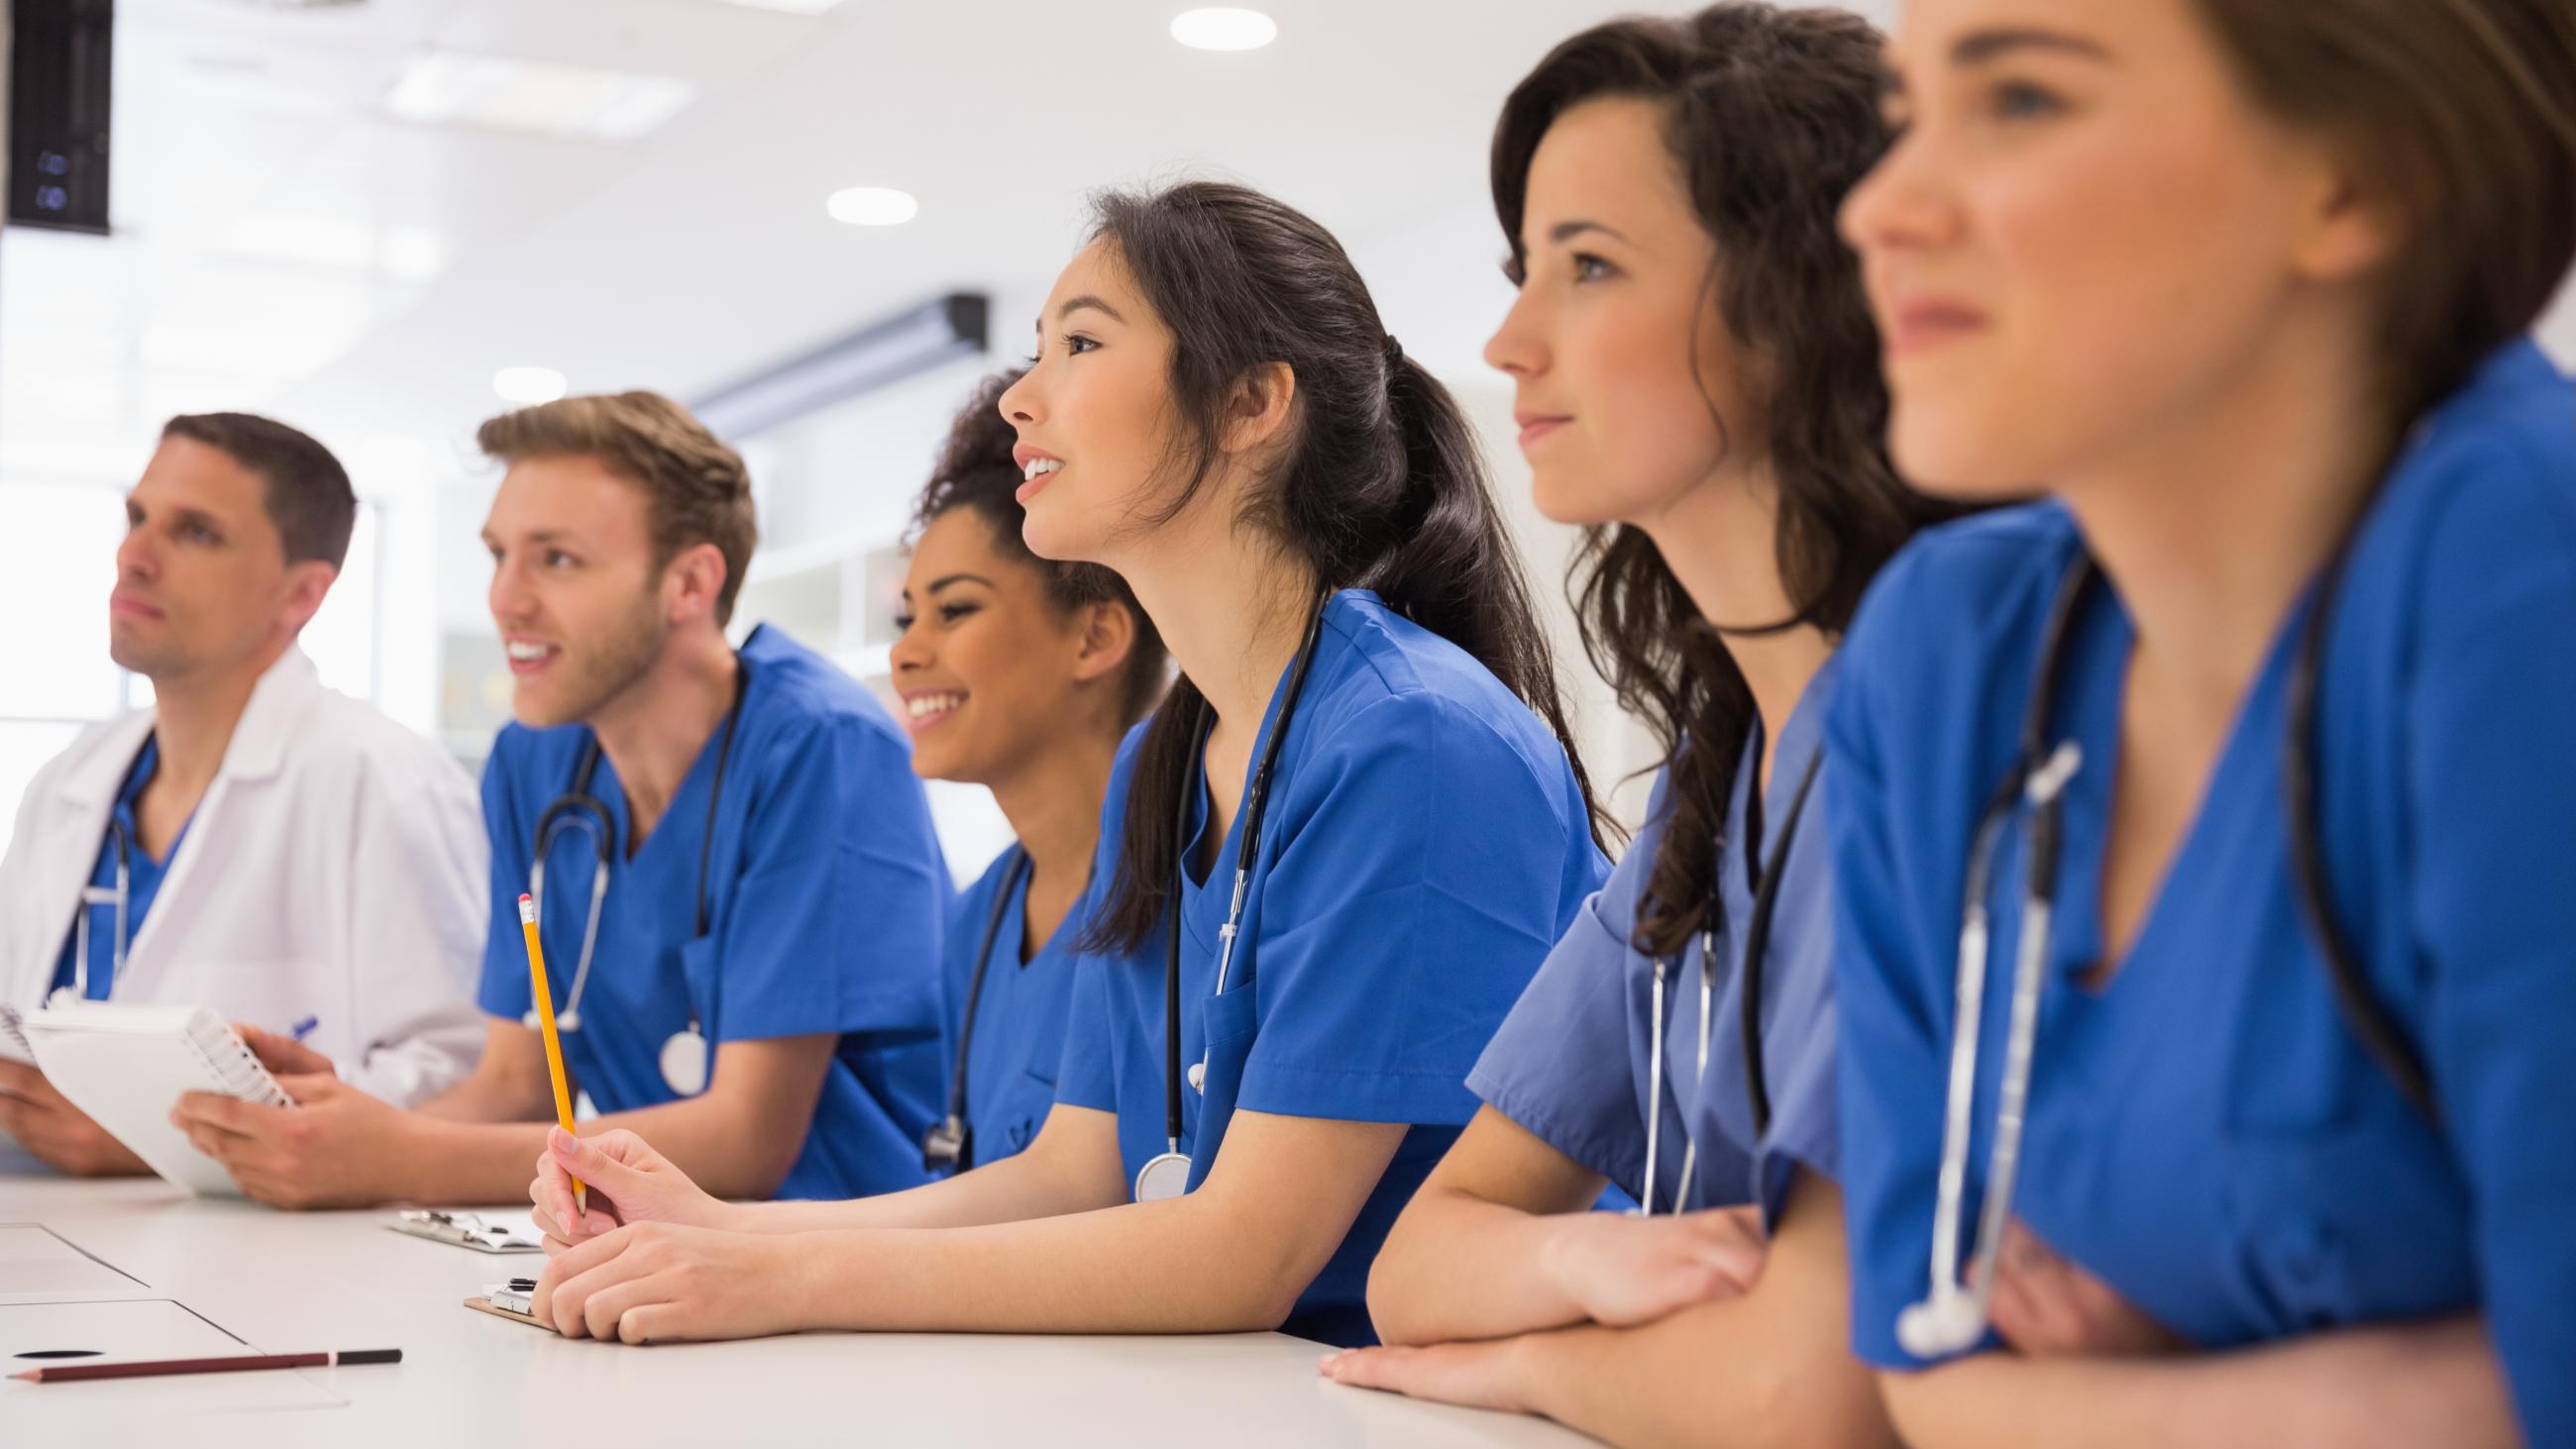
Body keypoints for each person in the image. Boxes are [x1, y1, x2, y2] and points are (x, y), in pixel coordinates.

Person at [517, 180, 1610, 1350]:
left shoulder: (1415, 739)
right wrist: (725, 1231)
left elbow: (1243, 1255)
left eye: (1081, 343)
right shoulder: (1166, 752)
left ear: (1249, 403)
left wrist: (776, 1280)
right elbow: (1070, 1171)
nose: (1022, 401)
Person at [1828, 0, 2576, 1444]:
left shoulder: (2520, 568)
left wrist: (2141, 1392)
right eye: (1909, 113)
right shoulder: (1945, 655)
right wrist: (2403, 1386)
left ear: (2359, 176)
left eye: (2024, 100)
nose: (1880, 207)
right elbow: (1931, 1380)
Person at [1324, 9, 1943, 1444]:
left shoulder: (1930, 739)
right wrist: (1584, 1255)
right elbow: (1424, 1260)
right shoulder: (1708, 790)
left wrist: (1531, 1359)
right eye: (1523, 269)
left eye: (1589, 266)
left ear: (1805, 304)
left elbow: (1809, 1391)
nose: (1508, 339)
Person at [171, 392, 949, 1207]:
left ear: (689, 582)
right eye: (498, 554)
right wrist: (333, 1136)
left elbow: (747, 1138)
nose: (505, 599)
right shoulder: (535, 759)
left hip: (850, 1260)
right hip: (662, 1253)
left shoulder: (820, 745)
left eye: (557, 560)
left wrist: (396, 1157)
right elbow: (514, 1081)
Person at [0, 413, 483, 1175]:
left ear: (300, 594)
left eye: (195, 532)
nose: (135, 556)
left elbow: (463, 1078)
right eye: (137, 517)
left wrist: (157, 1131)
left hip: (256, 1268)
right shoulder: (71, 779)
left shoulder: (382, 778)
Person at [896, 366, 1166, 1176]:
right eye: (907, 616)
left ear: (1094, 638)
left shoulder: (1179, 893)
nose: (906, 652)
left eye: (956, 610)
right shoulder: (978, 923)